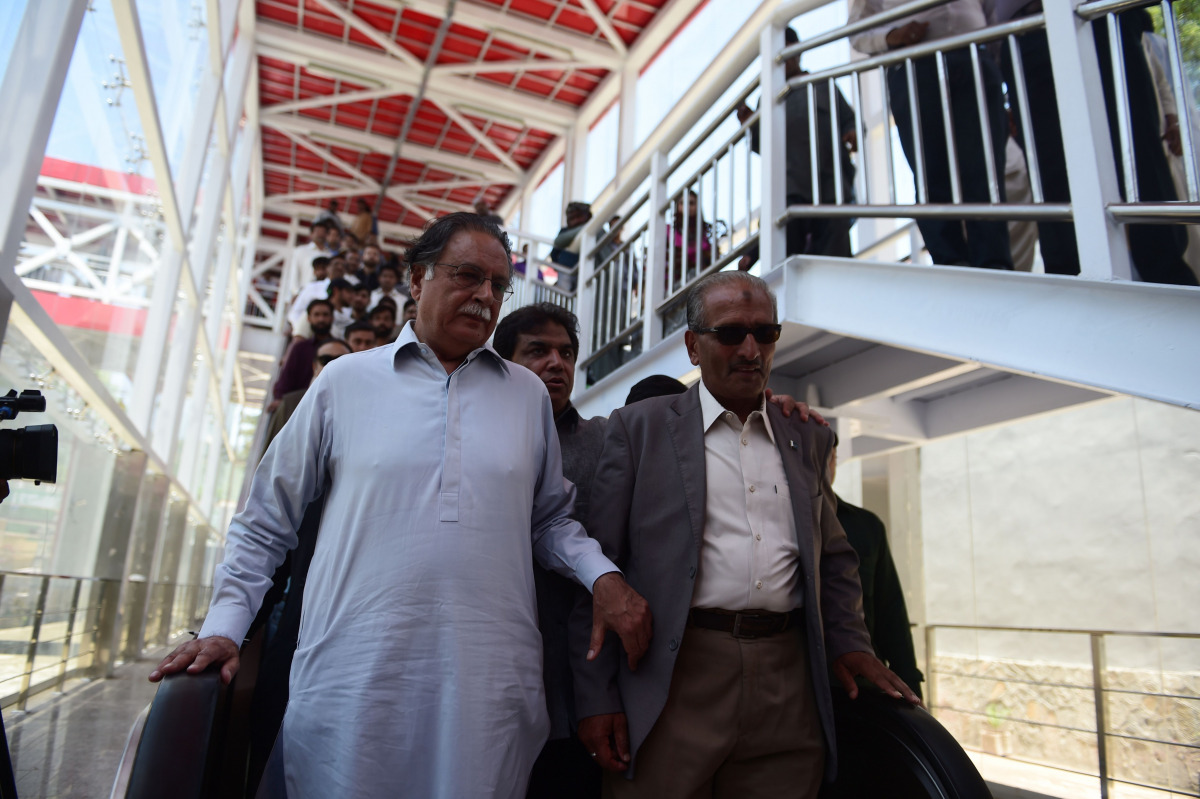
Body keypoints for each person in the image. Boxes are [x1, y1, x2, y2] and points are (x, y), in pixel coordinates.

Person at [150, 213, 652, 799]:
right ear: (416, 279)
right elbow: (266, 519)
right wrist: (226, 629)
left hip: (488, 690)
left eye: (498, 284)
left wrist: (605, 578)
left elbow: (549, 521)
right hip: (354, 680)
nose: (485, 296)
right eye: (468, 276)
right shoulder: (344, 382)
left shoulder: (526, 397)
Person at [571, 271, 918, 798]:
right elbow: (596, 572)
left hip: (788, 681)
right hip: (672, 676)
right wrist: (596, 698)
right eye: (731, 333)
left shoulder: (806, 434)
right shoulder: (637, 429)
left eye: (766, 333)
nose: (751, 349)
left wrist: (850, 642)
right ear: (692, 345)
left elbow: (834, 558)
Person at [493, 303, 606, 799]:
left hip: (578, 679)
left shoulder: (607, 441)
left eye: (566, 353)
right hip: (490, 672)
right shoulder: (476, 439)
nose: (556, 363)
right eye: (537, 351)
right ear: (504, 363)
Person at [848, 0, 1012, 271]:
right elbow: (857, 28)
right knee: (930, 175)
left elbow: (990, 12)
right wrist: (891, 37)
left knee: (985, 171)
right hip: (915, 65)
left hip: (976, 58)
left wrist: (999, 73)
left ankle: (995, 265)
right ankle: (951, 264)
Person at [738, 26, 856, 266]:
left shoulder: (821, 84)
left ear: (798, 52)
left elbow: (848, 119)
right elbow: (763, 147)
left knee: (834, 249)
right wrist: (751, 125)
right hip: (790, 185)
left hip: (829, 180)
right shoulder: (768, 99)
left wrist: (851, 133)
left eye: (789, 52)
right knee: (787, 251)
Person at [828, 437, 923, 698]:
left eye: (831, 456)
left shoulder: (866, 526)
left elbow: (891, 613)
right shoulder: (779, 525)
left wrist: (911, 686)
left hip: (863, 687)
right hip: (799, 686)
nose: (824, 465)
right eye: (816, 455)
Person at [271, 299, 335, 408]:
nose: (321, 319)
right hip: (297, 405)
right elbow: (287, 375)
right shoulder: (300, 348)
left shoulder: (338, 349)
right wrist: (279, 399)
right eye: (317, 315)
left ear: (332, 318)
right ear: (309, 319)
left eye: (325, 315)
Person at [549, 201, 592, 290]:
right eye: (571, 216)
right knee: (564, 290)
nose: (574, 219)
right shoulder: (564, 231)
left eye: (578, 216)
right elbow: (555, 251)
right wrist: (556, 264)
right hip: (565, 268)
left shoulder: (590, 231)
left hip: (583, 269)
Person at [286, 256, 331, 332]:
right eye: (318, 269)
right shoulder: (307, 287)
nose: (321, 272)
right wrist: (299, 328)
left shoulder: (331, 287)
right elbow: (295, 312)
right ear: (314, 272)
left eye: (323, 269)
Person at [290, 220, 331, 289]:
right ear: (311, 234)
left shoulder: (330, 255)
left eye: (323, 232)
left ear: (327, 235)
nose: (320, 234)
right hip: (302, 292)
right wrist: (296, 293)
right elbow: (294, 274)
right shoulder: (301, 251)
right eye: (317, 231)